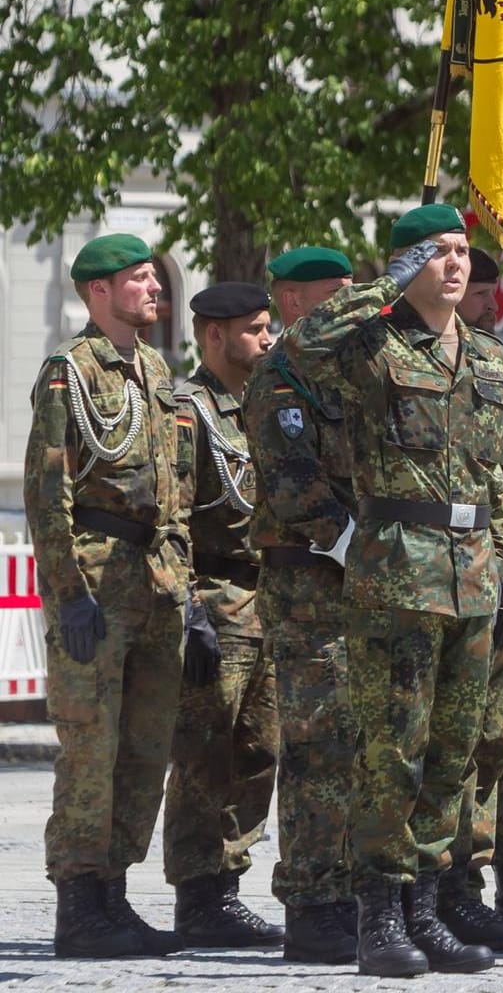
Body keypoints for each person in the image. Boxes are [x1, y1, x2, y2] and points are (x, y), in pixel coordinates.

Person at [280, 203, 503, 976]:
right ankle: (379, 918)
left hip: (474, 576)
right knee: (393, 752)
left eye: (462, 251)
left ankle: (425, 905)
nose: (456, 264)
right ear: (405, 263)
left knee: (454, 754)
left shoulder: (489, 357)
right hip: (398, 572)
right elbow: (294, 349)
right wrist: (376, 288)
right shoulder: (369, 347)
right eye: (437, 252)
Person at [28, 234, 194, 958]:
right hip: (96, 578)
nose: (156, 287)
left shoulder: (155, 367)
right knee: (91, 746)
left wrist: (184, 586)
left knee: (145, 747)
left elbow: (176, 489)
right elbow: (46, 490)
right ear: (99, 292)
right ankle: (79, 901)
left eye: (156, 277)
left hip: (153, 581)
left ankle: (116, 891)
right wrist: (68, 592)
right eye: (140, 278)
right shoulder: (70, 371)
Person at [244, 245, 362, 962]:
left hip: (361, 584)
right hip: (307, 584)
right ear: (294, 303)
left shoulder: (349, 376)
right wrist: (357, 544)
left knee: (359, 746)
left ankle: (351, 885)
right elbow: (294, 488)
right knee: (319, 747)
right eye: (336, 297)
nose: (353, 310)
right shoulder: (282, 378)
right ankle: (313, 901)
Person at [164, 282, 283, 949]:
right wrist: (187, 608)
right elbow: (171, 516)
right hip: (215, 600)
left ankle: (229, 883)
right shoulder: (190, 411)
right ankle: (197, 893)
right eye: (254, 329)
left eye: (269, 327)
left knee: (259, 752)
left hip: (266, 602)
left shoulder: (260, 409)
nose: (268, 340)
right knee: (204, 756)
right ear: (214, 335)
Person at [440, 245, 503, 955]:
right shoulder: (384, 350)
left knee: (487, 744)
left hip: (486, 575)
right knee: (428, 743)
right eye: (476, 288)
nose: (483, 298)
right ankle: (419, 890)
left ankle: (464, 885)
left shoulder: (494, 364)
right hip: (413, 573)